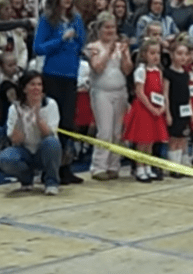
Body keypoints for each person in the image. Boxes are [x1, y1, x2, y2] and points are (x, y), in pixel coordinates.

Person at [33, 0, 86, 184]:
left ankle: (65, 167)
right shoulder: (47, 19)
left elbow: (81, 43)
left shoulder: (76, 18)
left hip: (71, 74)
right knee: (53, 122)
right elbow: (38, 48)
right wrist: (60, 40)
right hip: (53, 75)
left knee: (68, 123)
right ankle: (49, 169)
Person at [85, 12, 133, 180]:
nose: (110, 30)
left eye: (113, 27)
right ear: (99, 29)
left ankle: (114, 166)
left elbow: (127, 70)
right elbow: (97, 67)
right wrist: (109, 51)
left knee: (117, 132)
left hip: (120, 92)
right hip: (101, 92)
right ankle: (98, 167)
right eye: (107, 27)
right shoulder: (94, 47)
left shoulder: (120, 47)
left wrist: (125, 54)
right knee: (104, 131)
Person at [0, 71, 62, 195]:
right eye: (32, 84)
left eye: (39, 84)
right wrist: (20, 118)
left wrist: (37, 115)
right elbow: (16, 140)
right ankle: (26, 180)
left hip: (44, 150)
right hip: (24, 150)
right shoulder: (14, 109)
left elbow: (48, 134)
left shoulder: (51, 105)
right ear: (24, 88)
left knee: (52, 143)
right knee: (5, 158)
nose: (36, 88)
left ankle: (51, 182)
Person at [123, 39, 168, 182]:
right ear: (144, 54)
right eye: (152, 53)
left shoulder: (158, 71)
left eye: (158, 53)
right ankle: (140, 168)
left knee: (151, 142)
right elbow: (140, 92)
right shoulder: (141, 70)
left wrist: (162, 107)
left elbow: (160, 91)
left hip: (155, 109)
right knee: (142, 141)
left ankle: (148, 167)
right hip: (144, 109)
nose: (156, 56)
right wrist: (151, 108)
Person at [163, 41, 193, 178]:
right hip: (174, 109)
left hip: (184, 110)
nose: (183, 57)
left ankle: (181, 165)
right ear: (172, 55)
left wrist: (191, 110)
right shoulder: (168, 73)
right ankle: (173, 167)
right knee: (174, 139)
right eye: (179, 54)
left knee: (182, 138)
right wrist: (167, 113)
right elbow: (165, 95)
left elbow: (188, 95)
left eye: (185, 54)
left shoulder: (186, 74)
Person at [0, 0, 29, 69]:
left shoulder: (15, 28)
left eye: (10, 8)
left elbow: (23, 49)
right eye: (6, 9)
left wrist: (20, 66)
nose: (10, 11)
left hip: (16, 70)